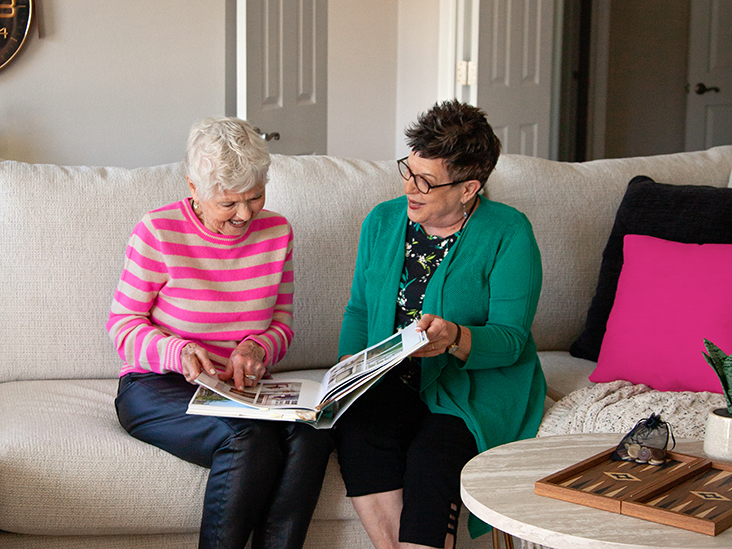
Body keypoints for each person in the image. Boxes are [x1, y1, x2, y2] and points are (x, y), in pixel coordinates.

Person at [107, 117, 333, 549]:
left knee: (312, 432)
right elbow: (123, 325)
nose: (245, 214)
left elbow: (281, 325)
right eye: (229, 203)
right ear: (194, 187)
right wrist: (178, 352)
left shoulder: (277, 233)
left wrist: (256, 346)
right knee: (248, 440)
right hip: (156, 385)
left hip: (238, 387)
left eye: (255, 197)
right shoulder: (158, 231)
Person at [334, 100, 546, 549]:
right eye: (408, 171)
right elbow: (358, 311)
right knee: (359, 427)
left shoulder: (509, 232)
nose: (411, 187)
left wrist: (454, 337)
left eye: (426, 181)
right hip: (392, 378)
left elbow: (510, 340)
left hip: (472, 386)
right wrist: (349, 370)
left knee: (434, 458)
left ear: (469, 188)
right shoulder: (382, 221)